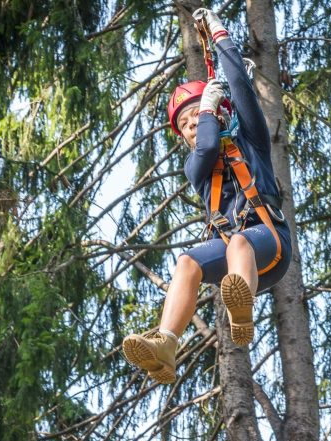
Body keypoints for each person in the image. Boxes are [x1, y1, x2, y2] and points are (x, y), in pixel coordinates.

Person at [121, 8, 291, 384]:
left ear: (222, 113)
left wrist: (219, 35)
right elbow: (209, 145)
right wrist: (209, 108)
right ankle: (166, 345)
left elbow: (240, 87)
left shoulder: (252, 142)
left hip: (269, 243)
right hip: (231, 255)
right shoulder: (196, 167)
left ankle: (241, 308)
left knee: (240, 243)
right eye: (185, 124)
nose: (194, 124)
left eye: (197, 115)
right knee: (187, 262)